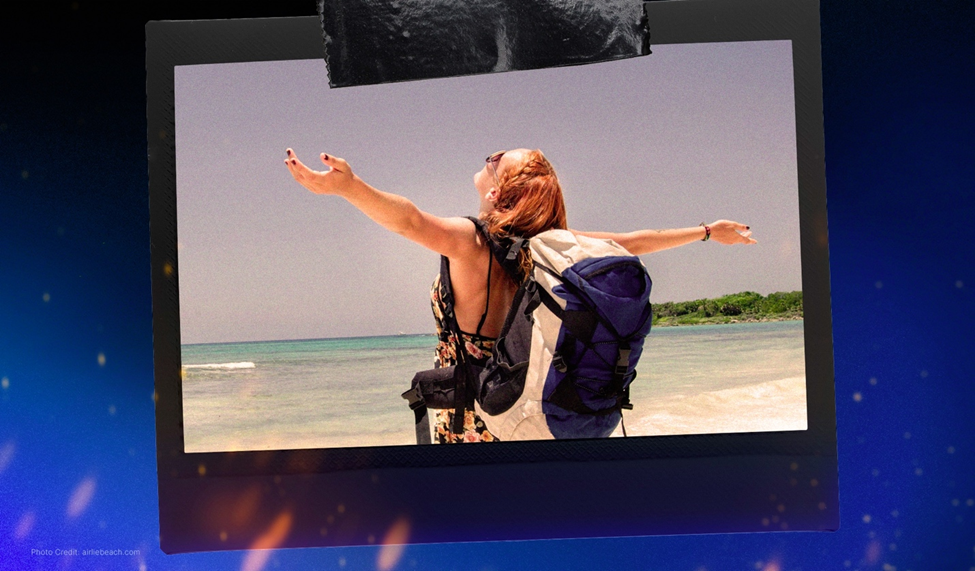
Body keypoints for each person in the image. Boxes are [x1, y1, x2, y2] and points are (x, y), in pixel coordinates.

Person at [284, 147, 756, 443]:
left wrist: (351, 188)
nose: (486, 160)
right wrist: (708, 232)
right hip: (530, 412)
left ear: (496, 192)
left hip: (474, 417)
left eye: (495, 161)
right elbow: (633, 241)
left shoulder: (472, 243)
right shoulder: (554, 246)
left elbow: (409, 219)